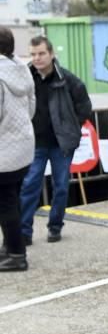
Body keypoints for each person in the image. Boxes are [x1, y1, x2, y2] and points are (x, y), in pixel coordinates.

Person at [19, 36, 91, 245]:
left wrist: (72, 127)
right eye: (33, 54)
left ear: (51, 54)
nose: (37, 58)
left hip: (61, 145)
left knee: (60, 186)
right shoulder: (25, 78)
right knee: (30, 185)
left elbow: (84, 106)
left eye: (41, 53)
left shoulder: (67, 79)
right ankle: (24, 232)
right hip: (35, 143)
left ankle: (55, 226)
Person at [0, 27, 36, 271]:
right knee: (13, 198)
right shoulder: (22, 69)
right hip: (23, 145)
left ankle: (16, 254)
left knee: (6, 204)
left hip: (4, 150)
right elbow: (31, 108)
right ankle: (11, 245)